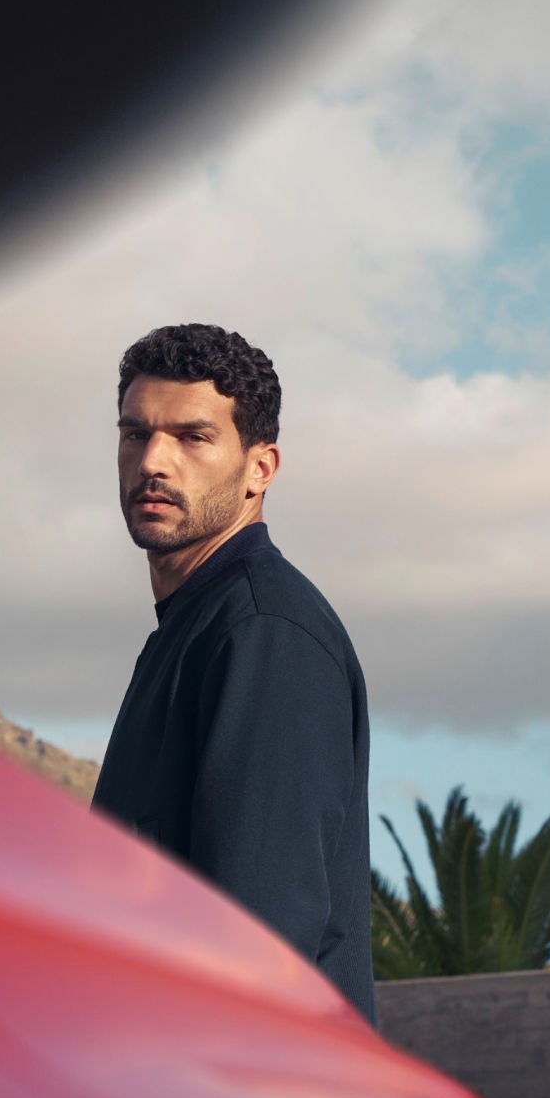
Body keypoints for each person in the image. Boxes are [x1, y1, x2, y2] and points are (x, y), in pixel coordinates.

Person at [92, 323, 375, 1020]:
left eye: (192, 437)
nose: (154, 460)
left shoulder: (263, 633)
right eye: (135, 433)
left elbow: (257, 944)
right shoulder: (190, 630)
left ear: (260, 469)